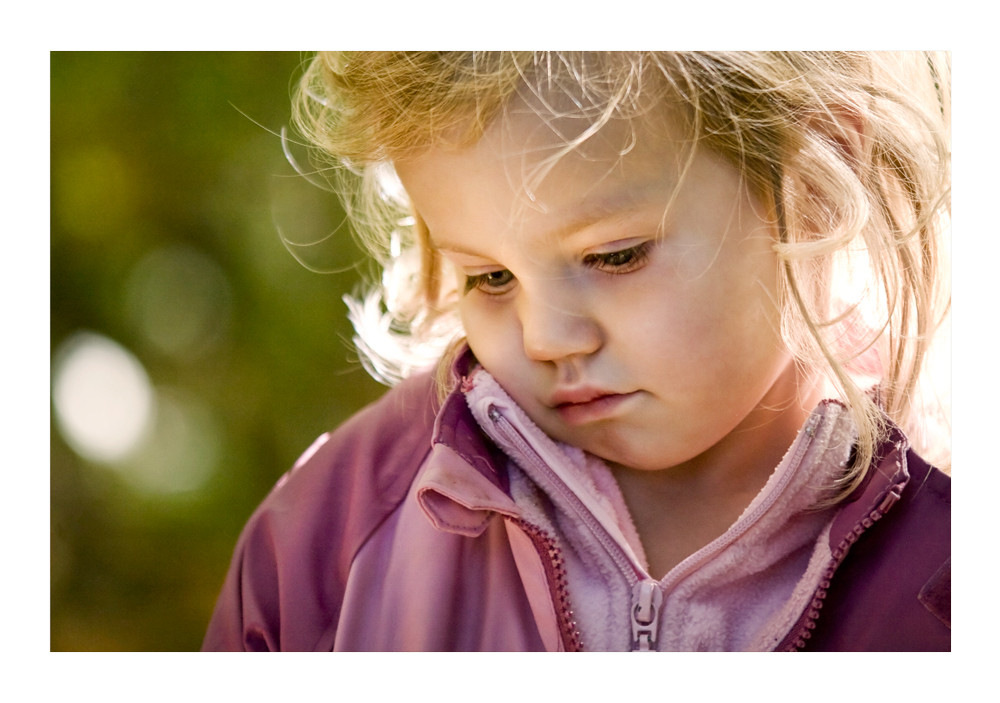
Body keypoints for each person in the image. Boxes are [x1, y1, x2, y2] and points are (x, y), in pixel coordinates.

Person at [203, 52, 951, 651]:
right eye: (489, 276)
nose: (545, 338)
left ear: (815, 176)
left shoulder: (951, 568)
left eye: (615, 257)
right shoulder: (330, 543)